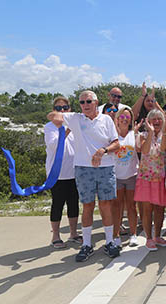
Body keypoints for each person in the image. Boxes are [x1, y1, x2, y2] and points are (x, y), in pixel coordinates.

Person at [47, 90, 121, 262]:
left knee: (105, 205)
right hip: (83, 168)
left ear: (96, 102)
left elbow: (116, 143)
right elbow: (52, 116)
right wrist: (61, 114)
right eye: (82, 102)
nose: (86, 105)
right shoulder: (76, 118)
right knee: (87, 206)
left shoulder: (106, 120)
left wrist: (103, 151)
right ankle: (87, 244)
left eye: (89, 101)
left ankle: (109, 241)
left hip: (105, 167)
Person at [44, 96, 80, 249]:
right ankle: (56, 235)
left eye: (65, 108)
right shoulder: (49, 127)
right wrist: (65, 130)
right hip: (57, 173)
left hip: (74, 171)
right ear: (54, 110)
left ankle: (73, 233)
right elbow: (53, 145)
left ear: (69, 109)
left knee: (74, 204)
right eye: (58, 108)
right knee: (57, 205)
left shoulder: (75, 124)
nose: (62, 111)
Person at [135, 109, 166, 251]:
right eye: (153, 119)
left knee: (160, 209)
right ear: (148, 121)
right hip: (146, 178)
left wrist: (163, 131)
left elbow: (163, 149)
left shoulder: (165, 136)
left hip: (160, 177)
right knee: (147, 210)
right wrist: (150, 133)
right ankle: (148, 238)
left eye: (159, 119)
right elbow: (144, 150)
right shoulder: (142, 135)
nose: (156, 121)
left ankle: (157, 236)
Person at [111, 107, 140, 249]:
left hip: (131, 175)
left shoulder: (133, 134)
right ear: (117, 119)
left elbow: (139, 149)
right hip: (116, 176)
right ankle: (115, 235)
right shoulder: (112, 135)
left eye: (127, 118)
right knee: (116, 207)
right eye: (121, 117)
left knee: (131, 206)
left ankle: (133, 234)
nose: (124, 120)